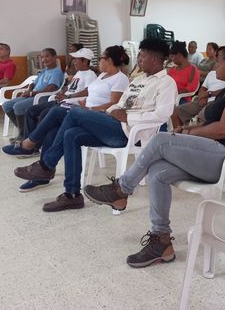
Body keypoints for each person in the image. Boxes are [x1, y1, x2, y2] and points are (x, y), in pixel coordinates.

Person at [84, 45, 225, 268]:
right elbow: (211, 123)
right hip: (212, 156)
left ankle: (121, 189)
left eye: (219, 62)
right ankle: (161, 241)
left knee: (161, 140)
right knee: (157, 171)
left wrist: (190, 133)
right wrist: (190, 129)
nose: (215, 66)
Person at [13, 38, 177, 212]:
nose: (139, 60)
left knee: (73, 113)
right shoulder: (138, 80)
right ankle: (72, 195)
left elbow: (162, 115)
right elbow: (119, 104)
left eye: (142, 57)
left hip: (129, 133)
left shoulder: (166, 83)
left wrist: (128, 118)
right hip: (113, 123)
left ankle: (45, 165)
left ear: (154, 59)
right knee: (71, 134)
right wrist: (110, 112)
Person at [4, 46, 130, 192]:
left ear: (109, 60)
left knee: (56, 112)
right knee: (54, 128)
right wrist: (79, 101)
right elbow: (90, 93)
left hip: (99, 118)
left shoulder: (120, 79)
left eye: (101, 58)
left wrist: (90, 109)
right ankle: (44, 173)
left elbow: (114, 104)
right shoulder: (102, 76)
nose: (99, 61)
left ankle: (31, 146)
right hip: (86, 112)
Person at [21, 47, 97, 142]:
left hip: (71, 103)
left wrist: (68, 96)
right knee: (31, 111)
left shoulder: (90, 75)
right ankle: (27, 140)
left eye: (76, 59)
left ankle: (34, 143)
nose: (73, 62)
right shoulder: (79, 73)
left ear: (85, 61)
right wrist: (60, 93)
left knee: (45, 113)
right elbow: (68, 87)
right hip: (63, 100)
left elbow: (87, 91)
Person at [2, 48, 65, 142]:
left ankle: (23, 136)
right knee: (6, 105)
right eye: (42, 57)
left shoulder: (57, 72)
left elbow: (51, 88)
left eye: (47, 56)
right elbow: (33, 83)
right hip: (32, 95)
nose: (44, 59)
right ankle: (25, 131)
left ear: (54, 57)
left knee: (18, 107)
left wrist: (32, 93)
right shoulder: (44, 70)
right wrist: (29, 90)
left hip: (43, 98)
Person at [170, 46, 225, 128]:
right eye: (218, 56)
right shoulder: (212, 73)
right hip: (202, 100)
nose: (218, 59)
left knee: (201, 117)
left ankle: (185, 131)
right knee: (175, 112)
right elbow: (202, 89)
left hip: (217, 102)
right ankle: (178, 134)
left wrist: (208, 94)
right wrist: (202, 97)